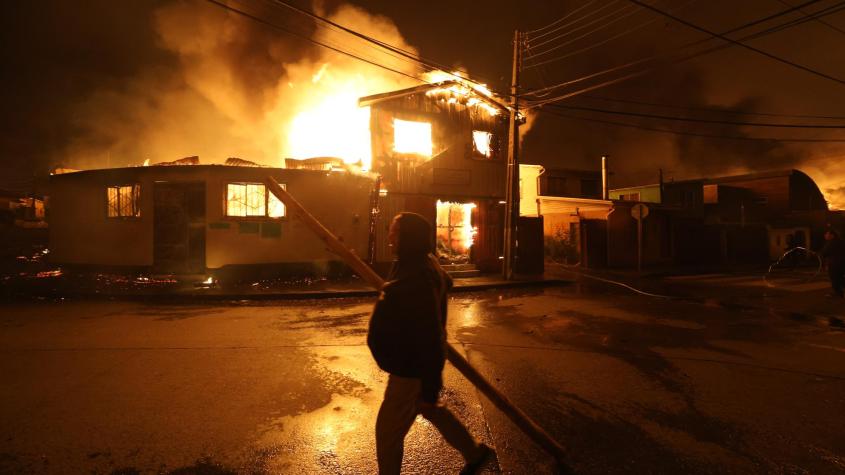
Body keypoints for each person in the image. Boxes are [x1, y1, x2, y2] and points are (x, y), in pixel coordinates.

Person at [368, 212, 493, 475]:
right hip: (416, 365)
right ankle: (475, 453)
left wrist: (429, 384)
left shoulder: (416, 279)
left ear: (408, 237)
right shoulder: (419, 263)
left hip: (411, 369)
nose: (390, 235)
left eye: (395, 231)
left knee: (388, 432)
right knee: (432, 410)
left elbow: (429, 335)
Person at [819, 228, 845, 298]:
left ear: (832, 235)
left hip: (834, 263)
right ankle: (839, 292)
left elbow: (825, 253)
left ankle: (838, 293)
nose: (825, 235)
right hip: (841, 263)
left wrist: (820, 254)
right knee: (840, 277)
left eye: (827, 234)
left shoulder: (831, 243)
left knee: (835, 278)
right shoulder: (841, 241)